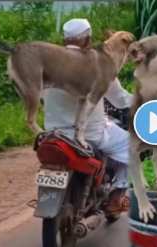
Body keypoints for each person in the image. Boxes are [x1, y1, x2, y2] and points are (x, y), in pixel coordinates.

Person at [43, 18, 132, 215]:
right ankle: (116, 199)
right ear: (88, 40)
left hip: (53, 134)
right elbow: (121, 100)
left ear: (64, 39)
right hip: (89, 134)